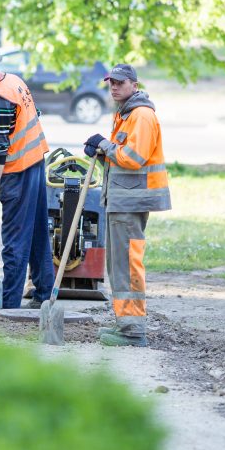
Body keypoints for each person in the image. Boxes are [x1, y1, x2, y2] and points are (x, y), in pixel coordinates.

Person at [83, 64, 171, 347]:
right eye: (111, 82)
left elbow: (134, 157)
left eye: (120, 83)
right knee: (118, 265)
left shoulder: (141, 116)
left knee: (127, 265)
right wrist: (100, 151)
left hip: (130, 202)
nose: (114, 87)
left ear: (134, 84)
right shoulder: (125, 114)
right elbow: (121, 157)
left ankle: (133, 330)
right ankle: (126, 324)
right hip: (121, 200)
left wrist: (105, 146)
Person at [0, 50, 54, 309]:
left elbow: (0, 148)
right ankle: (43, 294)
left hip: (17, 173)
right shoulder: (15, 82)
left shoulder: (2, 97)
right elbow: (34, 113)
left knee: (15, 240)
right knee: (38, 233)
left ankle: (10, 304)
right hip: (36, 164)